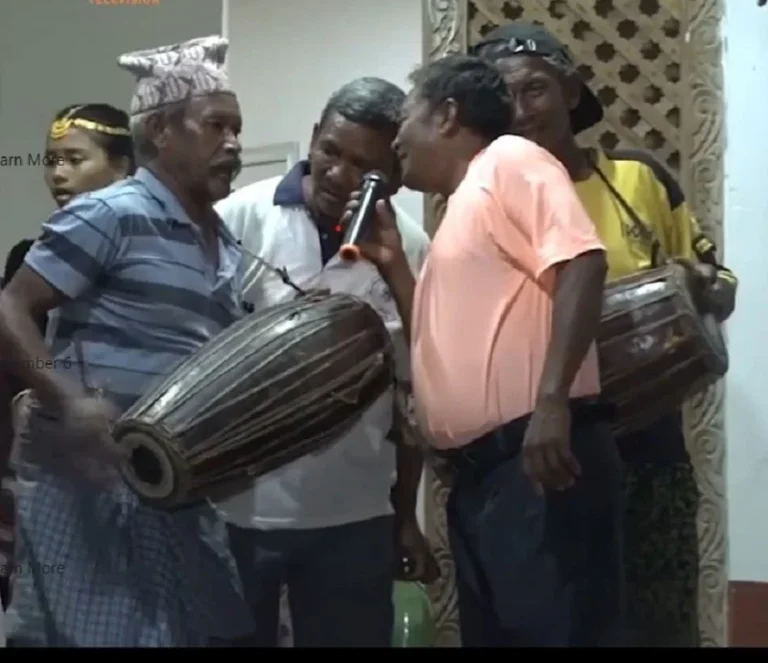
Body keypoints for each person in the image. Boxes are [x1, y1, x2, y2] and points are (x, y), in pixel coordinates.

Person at [342, 54, 624, 647]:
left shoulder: (509, 160)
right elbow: (438, 337)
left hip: (536, 458)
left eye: (406, 118)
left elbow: (583, 262)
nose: (396, 139)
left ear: (447, 115)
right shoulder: (459, 210)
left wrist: (552, 402)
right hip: (483, 478)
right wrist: (393, 264)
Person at [472, 23, 738, 647]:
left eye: (535, 89)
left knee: (657, 620)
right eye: (505, 98)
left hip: (647, 445)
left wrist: (700, 285)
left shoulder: (638, 179)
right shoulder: (489, 201)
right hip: (548, 453)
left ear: (571, 92)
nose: (521, 110)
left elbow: (721, 283)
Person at [0, 36, 254, 646]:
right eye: (216, 126)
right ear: (162, 132)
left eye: (237, 129)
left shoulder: (222, 241)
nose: (233, 144)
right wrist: (66, 398)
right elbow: (10, 306)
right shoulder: (111, 213)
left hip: (168, 488)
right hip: (84, 488)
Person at [213, 76, 434, 648]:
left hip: (355, 515)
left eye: (364, 166)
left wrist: (405, 517)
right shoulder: (236, 221)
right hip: (238, 510)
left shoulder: (411, 249)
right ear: (313, 136)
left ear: (394, 173)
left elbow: (409, 398)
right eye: (330, 151)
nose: (338, 174)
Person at [0, 103, 135, 618]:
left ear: (122, 167)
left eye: (75, 159)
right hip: (55, 448)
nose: (58, 174)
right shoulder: (32, 258)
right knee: (51, 605)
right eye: (51, 160)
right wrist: (35, 395)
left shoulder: (148, 249)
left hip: (137, 445)